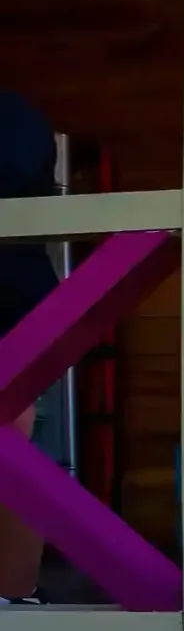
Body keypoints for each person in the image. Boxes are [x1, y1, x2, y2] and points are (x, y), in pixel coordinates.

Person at [0, 90, 58, 604]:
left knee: (9, 439)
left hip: (10, 289)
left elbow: (14, 174)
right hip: (19, 287)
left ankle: (14, 593)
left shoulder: (14, 116)